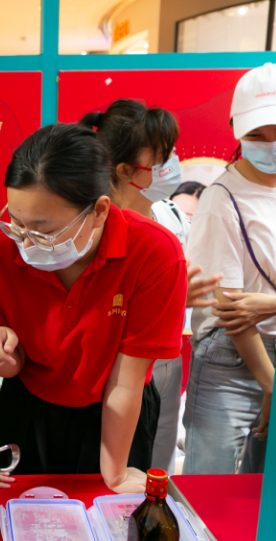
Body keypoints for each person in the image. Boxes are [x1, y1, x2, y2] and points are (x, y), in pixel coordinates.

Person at [0, 123, 187, 493]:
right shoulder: (5, 251)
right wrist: (0, 351)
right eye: (16, 223)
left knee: (108, 525)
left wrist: (115, 472)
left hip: (115, 414)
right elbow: (14, 362)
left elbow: (127, 380)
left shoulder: (154, 253)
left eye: (43, 230)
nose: (27, 240)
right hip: (29, 409)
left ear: (100, 210)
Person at [79, 100, 221, 474]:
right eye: (162, 158)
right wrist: (164, 297)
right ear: (126, 170)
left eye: (171, 153)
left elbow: (191, 280)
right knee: (104, 463)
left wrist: (176, 297)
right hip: (108, 364)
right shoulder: (86, 225)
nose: (172, 164)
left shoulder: (171, 218)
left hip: (163, 364)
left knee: (154, 458)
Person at [183, 62, 276, 475]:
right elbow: (233, 310)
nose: (271, 145)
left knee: (271, 487)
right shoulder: (222, 199)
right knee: (209, 486)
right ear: (237, 130)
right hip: (232, 360)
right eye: (256, 135)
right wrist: (272, 385)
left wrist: (275, 305)